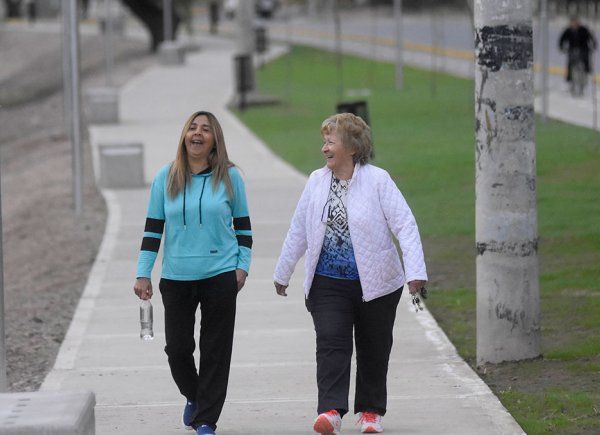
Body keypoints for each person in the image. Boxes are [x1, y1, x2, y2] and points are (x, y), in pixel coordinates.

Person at [273, 113, 427, 434]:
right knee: (331, 342)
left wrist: (415, 271)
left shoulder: (378, 180)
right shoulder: (316, 181)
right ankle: (330, 410)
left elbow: (405, 226)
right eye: (324, 141)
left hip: (377, 284)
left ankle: (371, 413)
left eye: (331, 141)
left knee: (373, 347)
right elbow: (299, 229)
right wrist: (283, 272)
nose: (324, 147)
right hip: (327, 282)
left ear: (352, 147)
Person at [133, 111, 252, 435]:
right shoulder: (166, 177)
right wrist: (143, 273)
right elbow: (153, 230)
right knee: (178, 349)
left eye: (206, 130)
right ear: (184, 135)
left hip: (220, 275)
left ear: (215, 140)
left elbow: (243, 228)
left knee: (216, 350)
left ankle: (206, 420)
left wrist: (242, 267)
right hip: (176, 276)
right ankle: (194, 396)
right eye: (193, 128)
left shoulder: (230, 177)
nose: (197, 134)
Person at [558, 16, 597, 93]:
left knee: (586, 61)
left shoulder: (583, 29)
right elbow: (562, 39)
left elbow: (591, 37)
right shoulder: (568, 30)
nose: (574, 24)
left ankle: (586, 71)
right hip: (572, 50)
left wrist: (594, 45)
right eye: (573, 23)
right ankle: (570, 79)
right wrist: (562, 47)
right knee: (570, 64)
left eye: (576, 22)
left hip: (583, 49)